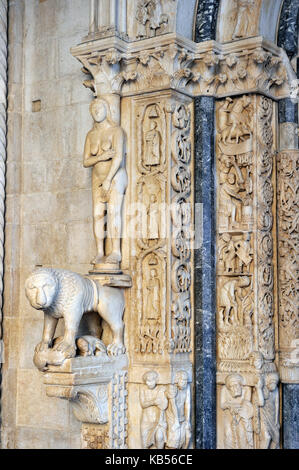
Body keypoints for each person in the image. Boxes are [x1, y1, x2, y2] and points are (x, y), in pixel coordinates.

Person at [83, 98, 127, 269]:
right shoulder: (91, 135)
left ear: (107, 110)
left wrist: (108, 179)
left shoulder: (117, 131)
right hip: (97, 178)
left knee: (114, 212)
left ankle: (116, 251)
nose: (96, 111)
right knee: (98, 215)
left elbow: (118, 157)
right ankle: (100, 252)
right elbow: (86, 161)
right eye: (93, 108)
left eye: (99, 107)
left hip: (116, 176)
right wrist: (101, 157)